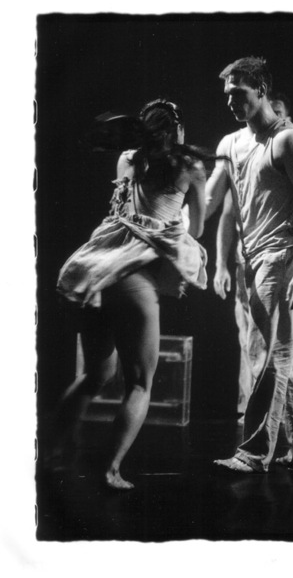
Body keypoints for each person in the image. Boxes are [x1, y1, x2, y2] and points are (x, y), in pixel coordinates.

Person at [50, 99, 211, 490]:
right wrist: (178, 219)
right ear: (177, 130)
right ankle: (109, 471)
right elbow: (198, 230)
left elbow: (124, 211)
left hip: (95, 271)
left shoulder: (126, 160)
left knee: (96, 374)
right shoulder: (190, 168)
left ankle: (51, 453)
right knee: (139, 383)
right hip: (132, 278)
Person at [205, 57, 293, 473]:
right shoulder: (230, 144)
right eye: (227, 95)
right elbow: (209, 202)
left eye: (237, 93)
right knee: (291, 355)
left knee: (272, 351)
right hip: (251, 259)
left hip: (282, 255)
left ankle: (254, 453)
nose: (230, 102)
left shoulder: (288, 141)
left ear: (260, 89)